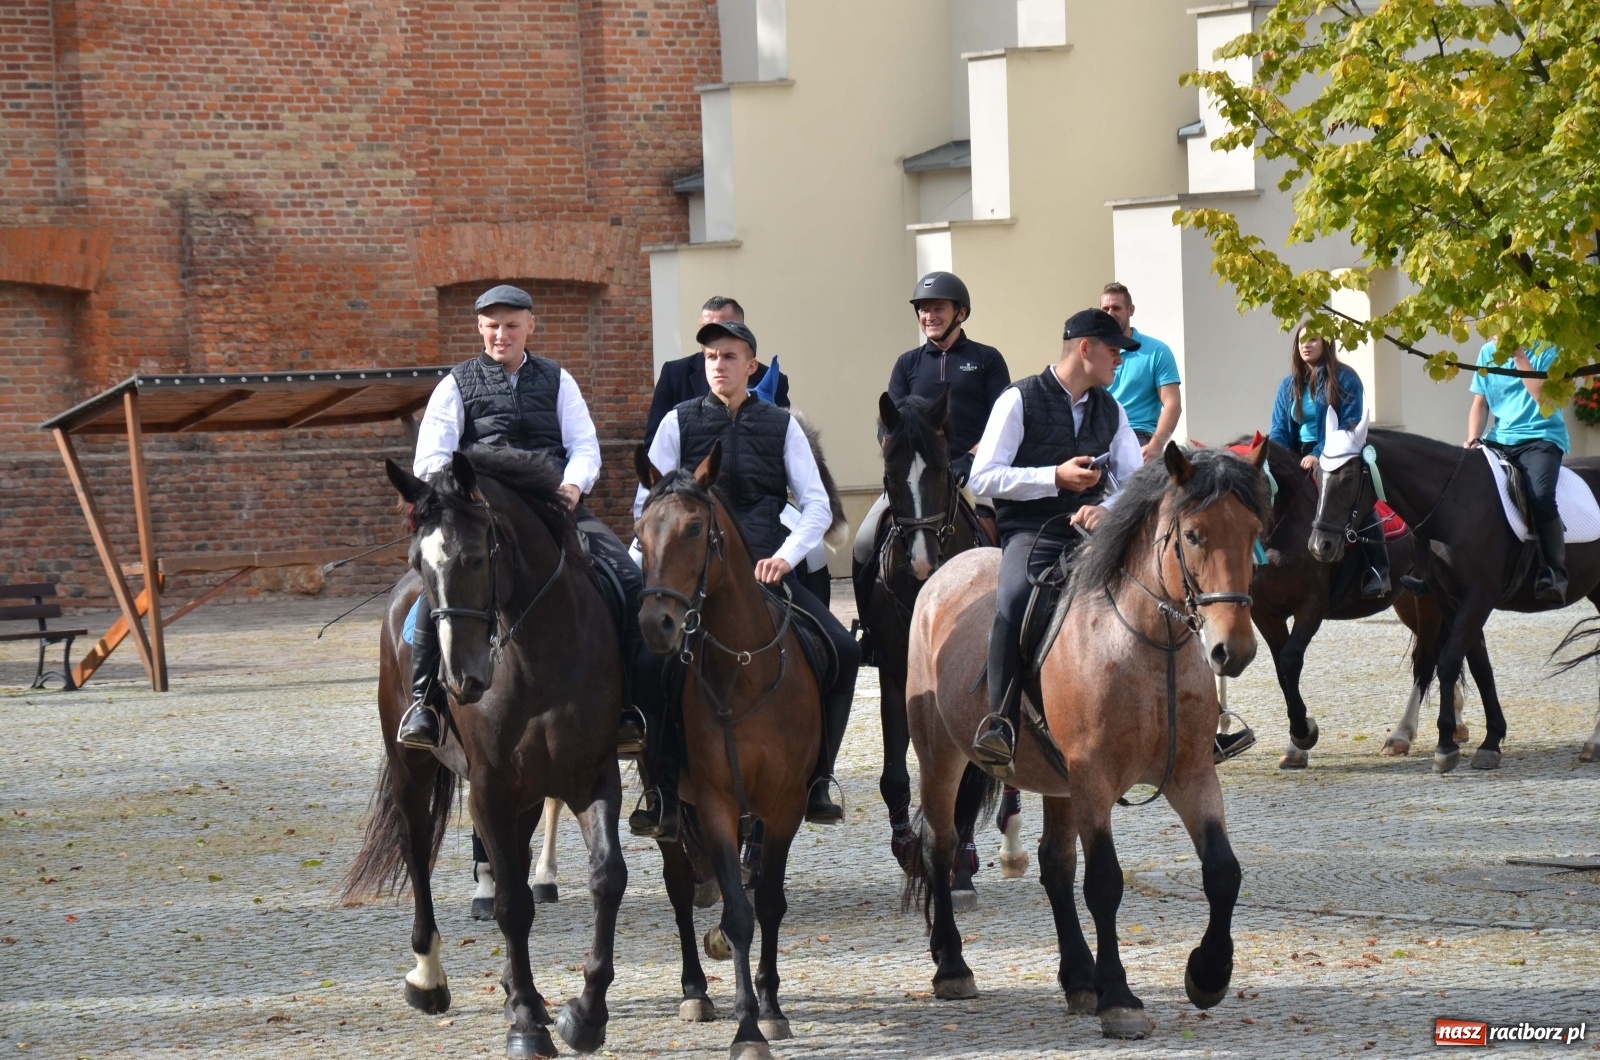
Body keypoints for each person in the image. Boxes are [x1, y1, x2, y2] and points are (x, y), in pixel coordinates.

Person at [401, 284, 650, 752]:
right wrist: (468, 492)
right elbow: (429, 461)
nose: (502, 335)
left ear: (530, 326)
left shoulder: (558, 379)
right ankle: (424, 703)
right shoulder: (455, 384)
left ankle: (628, 708)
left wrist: (572, 487)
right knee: (436, 591)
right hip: (481, 515)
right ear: (479, 328)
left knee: (631, 581)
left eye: (511, 325)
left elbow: (583, 447)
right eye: (492, 326)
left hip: (557, 508)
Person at [633, 318, 859, 832]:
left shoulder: (782, 425)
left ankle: (819, 778)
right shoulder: (677, 421)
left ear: (750, 366)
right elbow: (645, 506)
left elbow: (817, 505)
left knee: (844, 651)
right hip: (689, 576)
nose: (719, 366)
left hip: (765, 566)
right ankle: (660, 787)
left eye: (730, 357)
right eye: (712, 358)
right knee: (645, 661)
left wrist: (785, 555)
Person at [967, 309, 1142, 774]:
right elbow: (982, 476)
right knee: (1015, 597)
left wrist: (1110, 508)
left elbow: (1135, 481)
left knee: (1162, 586)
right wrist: (1055, 477)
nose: (1119, 362)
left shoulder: (1114, 409)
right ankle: (1000, 721)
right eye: (1114, 352)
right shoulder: (1018, 399)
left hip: (1096, 529)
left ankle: (1192, 716)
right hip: (1031, 531)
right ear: (1085, 349)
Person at [851, 272, 1010, 627]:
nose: (929, 316)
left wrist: (971, 457)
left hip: (974, 470)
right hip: (917, 476)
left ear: (961, 313)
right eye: (923, 310)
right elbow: (887, 424)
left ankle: (1012, 625)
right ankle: (869, 633)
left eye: (938, 308)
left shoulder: (987, 360)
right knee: (863, 543)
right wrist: (901, 458)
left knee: (1011, 534)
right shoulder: (907, 363)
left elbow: (1003, 420)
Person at [1268, 323, 1389, 597]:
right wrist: (1275, 458)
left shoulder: (1345, 379)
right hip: (1294, 454)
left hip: (1338, 452)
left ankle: (1379, 569)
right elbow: (1278, 429)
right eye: (1301, 341)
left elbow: (1349, 422)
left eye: (1312, 339)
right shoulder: (1288, 385)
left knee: (1354, 496)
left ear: (1326, 343)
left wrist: (1318, 453)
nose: (1305, 345)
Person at [1467, 338, 1569, 603]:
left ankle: (1555, 573)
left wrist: (1519, 356)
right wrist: (1473, 437)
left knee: (1540, 496)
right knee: (1461, 487)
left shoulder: (1549, 347)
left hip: (1541, 437)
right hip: (1498, 438)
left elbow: (1543, 397)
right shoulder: (1487, 352)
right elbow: (1480, 403)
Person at [643, 296, 789, 446]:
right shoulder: (674, 375)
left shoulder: (771, 380)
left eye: (722, 328)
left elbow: (784, 446)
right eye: (706, 328)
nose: (714, 337)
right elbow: (655, 445)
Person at [1101, 282, 1182, 463]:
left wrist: (1156, 445)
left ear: (1131, 310)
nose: (1110, 314)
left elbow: (1172, 404)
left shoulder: (1157, 351)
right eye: (1105, 309)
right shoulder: (1093, 352)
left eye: (1116, 308)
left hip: (1137, 436)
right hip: (1099, 436)